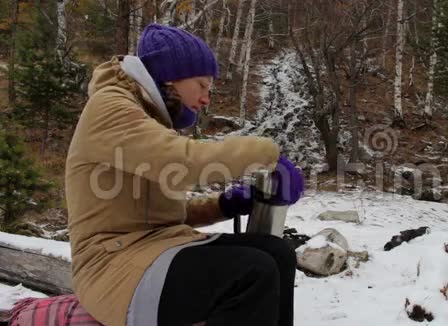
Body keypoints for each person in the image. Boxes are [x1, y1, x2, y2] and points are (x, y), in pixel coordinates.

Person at [65, 23, 304, 326]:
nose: (206, 99)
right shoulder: (111, 108)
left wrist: (226, 204)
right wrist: (268, 156)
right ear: (170, 76)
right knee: (253, 272)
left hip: (152, 247)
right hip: (110, 266)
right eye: (201, 85)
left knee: (278, 253)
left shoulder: (146, 118)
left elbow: (160, 214)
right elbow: (184, 161)